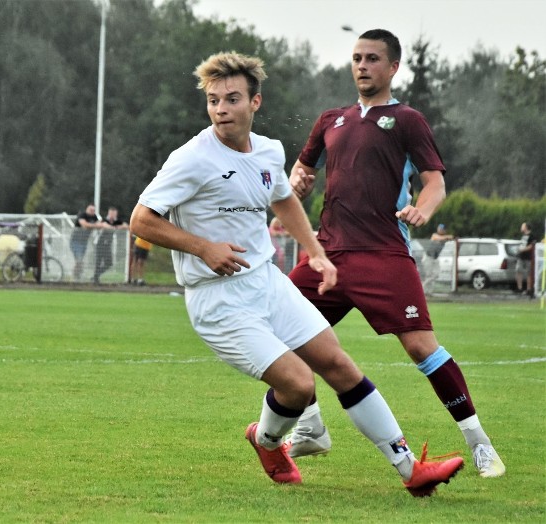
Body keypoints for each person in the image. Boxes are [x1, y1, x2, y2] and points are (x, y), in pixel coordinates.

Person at [129, 51, 463, 495]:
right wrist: (202, 247)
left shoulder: (268, 151)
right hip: (218, 300)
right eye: (213, 101)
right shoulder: (191, 158)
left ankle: (411, 472)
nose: (221, 109)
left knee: (339, 365)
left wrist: (316, 253)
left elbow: (283, 198)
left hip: (265, 283)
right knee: (300, 386)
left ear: (256, 102)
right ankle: (267, 441)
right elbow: (141, 220)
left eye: (231, 99)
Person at [287, 29, 504, 478]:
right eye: (356, 58)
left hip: (384, 254)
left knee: (422, 347)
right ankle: (309, 428)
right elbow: (303, 167)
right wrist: (298, 181)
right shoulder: (332, 119)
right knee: (280, 327)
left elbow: (435, 183)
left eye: (371, 58)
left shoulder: (407, 120)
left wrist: (422, 210)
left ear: (392, 67)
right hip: (327, 255)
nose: (362, 65)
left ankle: (478, 441)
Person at [69, 203, 106, 280]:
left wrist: (97, 225)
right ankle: (75, 276)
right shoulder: (82, 215)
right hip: (75, 241)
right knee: (79, 260)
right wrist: (95, 226)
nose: (92, 211)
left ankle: (77, 275)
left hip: (84, 243)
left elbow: (100, 224)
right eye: (91, 210)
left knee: (80, 261)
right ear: (87, 209)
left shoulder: (94, 217)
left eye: (93, 210)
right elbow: (84, 225)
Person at [93, 206, 129, 284]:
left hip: (108, 244)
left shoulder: (117, 221)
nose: (112, 215)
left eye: (114, 214)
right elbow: (100, 224)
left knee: (109, 263)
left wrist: (117, 227)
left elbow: (126, 226)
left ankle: (96, 275)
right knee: (98, 261)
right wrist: (111, 227)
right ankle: (95, 279)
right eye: (111, 214)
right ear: (109, 213)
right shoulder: (104, 219)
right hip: (100, 243)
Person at [421, 224, 454, 293]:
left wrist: (449, 237)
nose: (441, 230)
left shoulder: (445, 238)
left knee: (436, 274)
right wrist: (447, 237)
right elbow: (437, 238)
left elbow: (452, 237)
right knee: (429, 275)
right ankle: (425, 291)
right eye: (440, 228)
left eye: (442, 229)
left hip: (435, 258)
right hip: (428, 257)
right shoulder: (435, 235)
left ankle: (424, 288)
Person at [515, 222, 536, 297]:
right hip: (521, 257)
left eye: (522, 226)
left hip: (528, 257)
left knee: (529, 273)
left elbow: (531, 246)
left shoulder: (532, 236)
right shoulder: (523, 236)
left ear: (526, 227)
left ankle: (529, 289)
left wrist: (523, 250)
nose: (521, 228)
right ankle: (519, 288)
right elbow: (522, 244)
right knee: (518, 271)